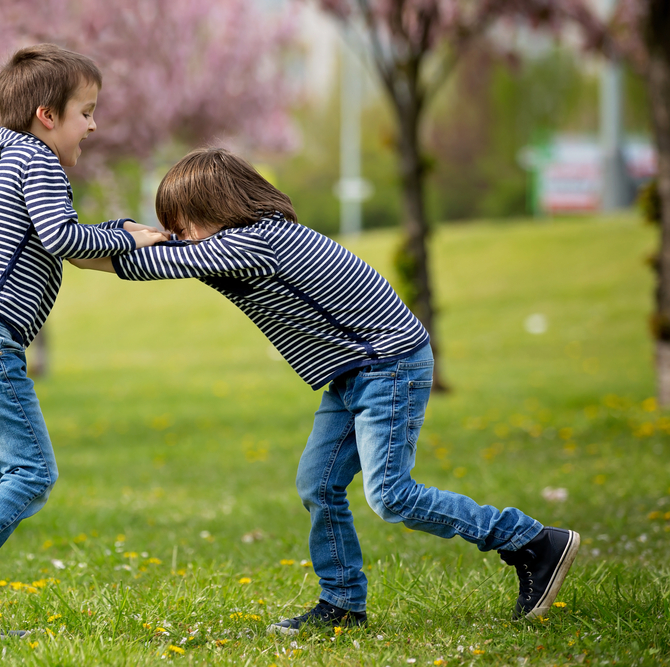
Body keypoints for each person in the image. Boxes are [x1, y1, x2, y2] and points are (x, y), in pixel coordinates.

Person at [68, 147, 579, 634]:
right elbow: (139, 259)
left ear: (216, 208)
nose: (178, 235)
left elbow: (139, 263)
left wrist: (70, 238)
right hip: (352, 373)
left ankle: (532, 541)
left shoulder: (255, 243)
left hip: (388, 366)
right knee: (319, 483)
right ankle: (341, 603)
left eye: (182, 223)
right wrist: (105, 237)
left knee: (391, 495)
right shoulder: (244, 243)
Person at [0, 44, 167, 640]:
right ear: (46, 116)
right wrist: (123, 231)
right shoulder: (39, 163)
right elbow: (62, 237)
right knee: (31, 472)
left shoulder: (11, 163)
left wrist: (141, 249)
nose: (94, 125)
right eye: (86, 112)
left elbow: (72, 253)